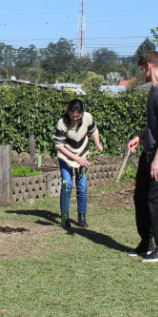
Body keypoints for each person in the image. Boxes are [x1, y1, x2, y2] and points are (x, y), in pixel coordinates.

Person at [127, 51, 158, 263]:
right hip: (150, 151)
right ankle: (146, 242)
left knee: (156, 198)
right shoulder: (154, 90)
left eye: (142, 70)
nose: (142, 75)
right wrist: (141, 136)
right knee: (140, 197)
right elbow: (154, 126)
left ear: (149, 65)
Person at [53, 98, 103, 228]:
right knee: (67, 185)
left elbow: (94, 130)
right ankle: (65, 216)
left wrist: (97, 143)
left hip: (83, 155)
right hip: (66, 156)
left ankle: (82, 216)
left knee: (82, 186)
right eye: (72, 115)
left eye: (77, 116)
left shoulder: (88, 118)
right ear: (68, 112)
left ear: (81, 113)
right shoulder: (62, 123)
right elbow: (59, 146)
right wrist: (76, 158)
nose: (75, 118)